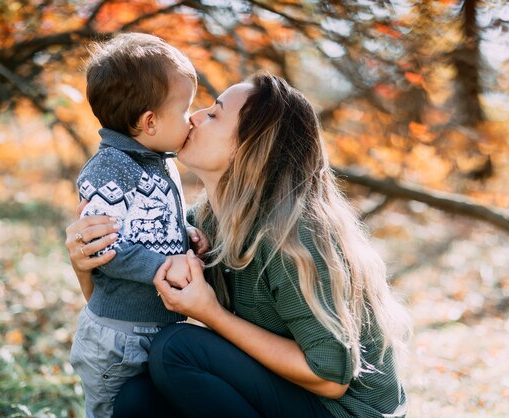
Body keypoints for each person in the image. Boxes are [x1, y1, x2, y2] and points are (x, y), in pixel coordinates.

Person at [66, 72, 412, 418]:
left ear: (251, 146)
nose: (195, 117)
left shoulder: (295, 236)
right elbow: (126, 309)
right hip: (287, 393)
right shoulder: (206, 223)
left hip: (342, 409)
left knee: (177, 350)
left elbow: (329, 376)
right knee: (137, 398)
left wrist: (212, 315)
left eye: (214, 114)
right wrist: (86, 260)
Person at [68, 32, 208, 418]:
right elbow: (103, 247)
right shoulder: (112, 169)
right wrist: (166, 266)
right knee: (112, 411)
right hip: (118, 335)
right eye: (185, 110)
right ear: (149, 122)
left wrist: (185, 235)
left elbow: (151, 223)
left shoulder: (157, 160)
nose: (192, 119)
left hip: (153, 326)